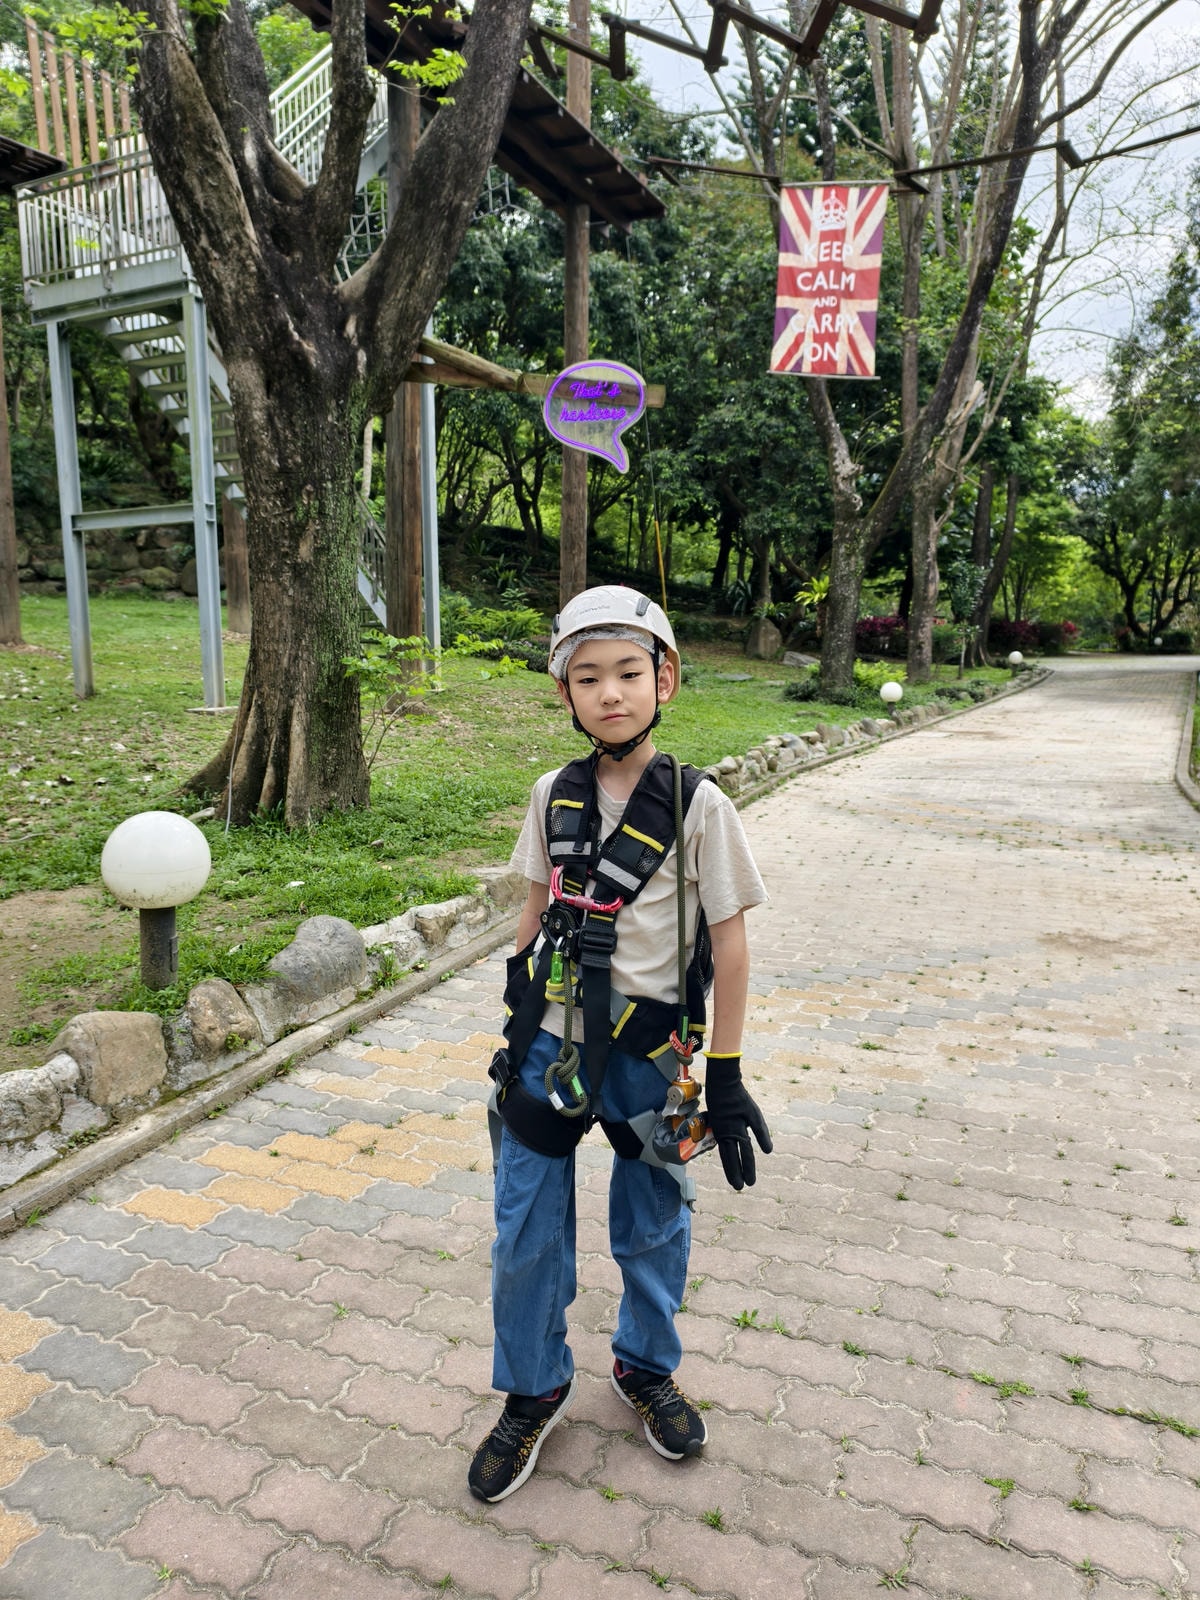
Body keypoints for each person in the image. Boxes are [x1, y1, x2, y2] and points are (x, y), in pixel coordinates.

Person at [468, 585, 772, 1504]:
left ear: (664, 680)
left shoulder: (697, 805)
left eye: (628, 673)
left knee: (652, 1224)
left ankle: (644, 1366)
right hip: (550, 1054)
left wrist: (724, 1072)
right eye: (588, 677)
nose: (610, 693)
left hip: (649, 1059)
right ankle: (534, 1384)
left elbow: (729, 941)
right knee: (523, 1228)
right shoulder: (550, 797)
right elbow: (532, 907)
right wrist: (515, 1018)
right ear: (566, 693)